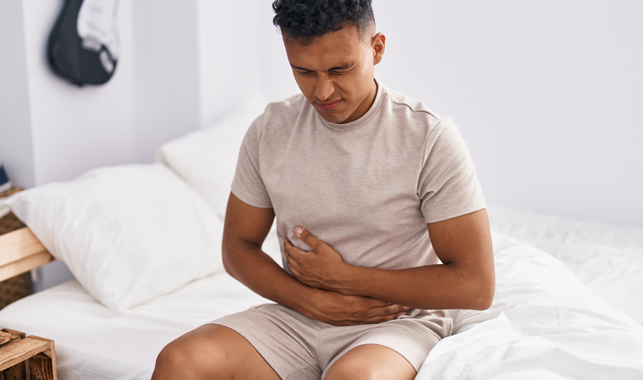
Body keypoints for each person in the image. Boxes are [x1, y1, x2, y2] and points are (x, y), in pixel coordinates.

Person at [152, 0, 494, 379]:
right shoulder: (270, 130)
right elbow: (237, 248)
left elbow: (476, 285)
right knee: (178, 362)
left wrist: (346, 279)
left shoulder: (428, 137)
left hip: (395, 320)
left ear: (377, 48)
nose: (323, 90)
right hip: (297, 316)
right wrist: (312, 301)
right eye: (304, 71)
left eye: (340, 69)